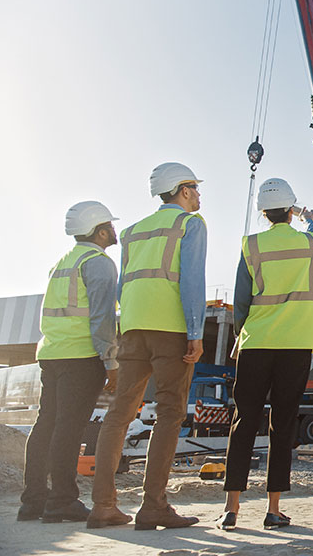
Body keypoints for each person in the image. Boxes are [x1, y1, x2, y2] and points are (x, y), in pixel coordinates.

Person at [87, 162, 207, 530]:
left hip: (133, 329)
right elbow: (192, 281)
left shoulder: (133, 231)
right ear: (183, 191)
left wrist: (124, 331)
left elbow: (125, 285)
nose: (199, 195)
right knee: (170, 413)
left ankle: (103, 506)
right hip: (170, 329)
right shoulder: (190, 224)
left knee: (119, 414)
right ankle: (153, 506)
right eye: (196, 189)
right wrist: (195, 332)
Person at [219, 178, 313, 531]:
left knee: (243, 421)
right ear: (290, 210)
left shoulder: (251, 245)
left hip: (257, 342)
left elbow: (241, 298)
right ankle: (273, 509)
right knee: (282, 424)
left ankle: (231, 508)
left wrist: (239, 334)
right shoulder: (309, 243)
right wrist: (308, 217)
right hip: (296, 343)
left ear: (263, 212)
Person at [19, 202, 120, 523]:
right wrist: (111, 361)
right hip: (81, 355)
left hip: (52, 353)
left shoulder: (61, 263)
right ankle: (62, 500)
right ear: (101, 231)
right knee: (69, 427)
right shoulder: (99, 263)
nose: (114, 230)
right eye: (110, 225)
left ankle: (33, 501)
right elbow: (102, 318)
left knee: (45, 424)